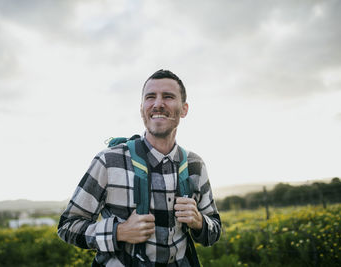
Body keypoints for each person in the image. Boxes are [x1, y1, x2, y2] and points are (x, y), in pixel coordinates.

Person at [58, 69, 222, 266]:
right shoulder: (109, 161)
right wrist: (119, 232)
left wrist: (198, 222)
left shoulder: (195, 165)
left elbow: (214, 231)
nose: (158, 103)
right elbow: (67, 226)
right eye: (150, 97)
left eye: (168, 97)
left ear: (184, 109)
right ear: (142, 107)